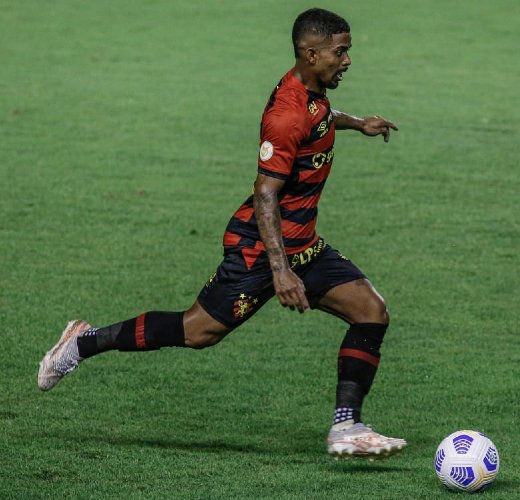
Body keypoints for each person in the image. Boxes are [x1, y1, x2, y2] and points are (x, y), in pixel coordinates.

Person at [38, 7, 406, 460]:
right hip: (260, 250)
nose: (347, 60)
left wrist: (358, 123)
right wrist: (281, 271)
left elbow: (322, 117)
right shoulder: (286, 115)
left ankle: (346, 427)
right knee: (197, 332)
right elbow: (265, 195)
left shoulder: (313, 96)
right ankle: (81, 343)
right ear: (311, 54)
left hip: (303, 245)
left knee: (371, 311)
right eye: (340, 52)